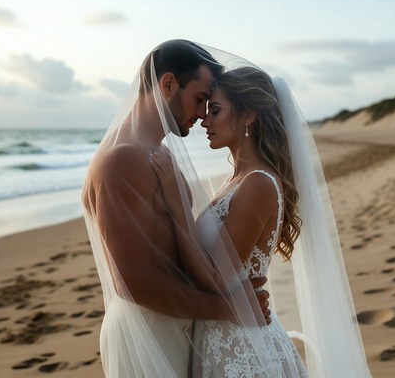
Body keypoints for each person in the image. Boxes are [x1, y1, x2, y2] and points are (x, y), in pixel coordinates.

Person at [150, 65, 373, 377]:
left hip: (242, 347)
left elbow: (214, 277)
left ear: (249, 115)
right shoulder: (235, 181)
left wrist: (175, 204)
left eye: (215, 110)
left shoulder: (258, 184)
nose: (204, 119)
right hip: (224, 336)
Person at [81, 40, 272, 378]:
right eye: (199, 99)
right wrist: (230, 308)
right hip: (146, 334)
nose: (202, 114)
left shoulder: (155, 157)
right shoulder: (123, 159)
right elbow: (133, 282)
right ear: (168, 85)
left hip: (172, 327)